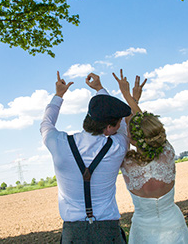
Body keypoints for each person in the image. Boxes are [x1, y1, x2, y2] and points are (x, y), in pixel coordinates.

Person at [40, 71, 131, 243]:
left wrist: (59, 95)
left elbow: (46, 123)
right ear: (109, 128)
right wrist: (100, 89)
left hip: (73, 234)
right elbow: (125, 124)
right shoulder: (117, 146)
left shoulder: (60, 144)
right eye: (117, 123)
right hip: (108, 233)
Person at [113, 69, 188, 244]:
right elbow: (142, 124)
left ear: (132, 138)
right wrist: (130, 97)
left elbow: (132, 125)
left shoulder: (126, 162)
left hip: (143, 229)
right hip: (173, 222)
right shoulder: (167, 152)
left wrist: (129, 97)